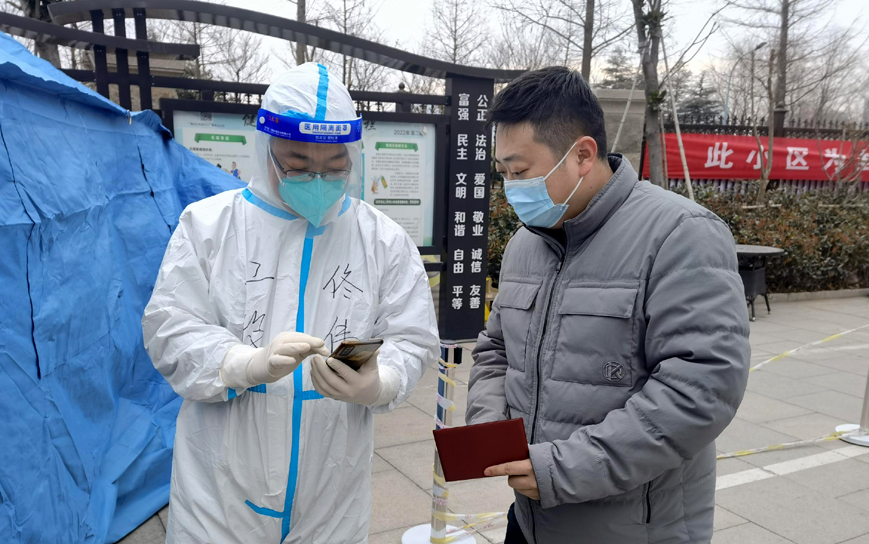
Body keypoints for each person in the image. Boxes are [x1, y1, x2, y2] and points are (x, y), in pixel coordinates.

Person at [143, 63, 439, 543]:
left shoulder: (382, 240)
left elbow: (412, 336)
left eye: (335, 167)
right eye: (297, 166)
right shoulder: (209, 227)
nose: (318, 180)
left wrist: (380, 381)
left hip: (332, 486)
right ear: (265, 150)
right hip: (220, 486)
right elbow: (169, 328)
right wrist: (241, 363)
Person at [467, 66, 750, 543]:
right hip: (532, 520)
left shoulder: (680, 234)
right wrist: (488, 427)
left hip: (633, 528)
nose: (511, 187)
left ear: (582, 155)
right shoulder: (525, 244)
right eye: (503, 173)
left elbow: (702, 389)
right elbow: (496, 350)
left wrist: (563, 469)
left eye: (520, 171)